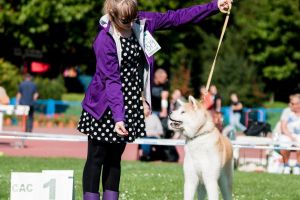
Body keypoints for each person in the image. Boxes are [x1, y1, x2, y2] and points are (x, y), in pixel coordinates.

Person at [77, 0, 232, 199]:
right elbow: (112, 81)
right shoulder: (104, 40)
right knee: (96, 158)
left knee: (115, 159)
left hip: (129, 102)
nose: (130, 22)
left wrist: (213, 6)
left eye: (133, 17)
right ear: (112, 14)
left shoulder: (140, 23)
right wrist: (118, 117)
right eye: (125, 20)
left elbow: (175, 18)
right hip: (103, 105)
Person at [278, 93, 300, 175]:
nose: (291, 105)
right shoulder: (287, 111)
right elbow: (283, 128)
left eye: (294, 103)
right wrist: (291, 137)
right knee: (285, 142)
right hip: (287, 135)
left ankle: (298, 166)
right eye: (291, 103)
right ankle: (286, 166)